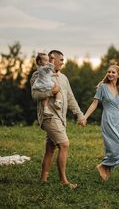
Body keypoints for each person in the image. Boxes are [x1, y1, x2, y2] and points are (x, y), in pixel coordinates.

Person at [31, 50, 85, 189]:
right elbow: (35, 94)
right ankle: (64, 181)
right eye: (60, 59)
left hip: (60, 117)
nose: (62, 62)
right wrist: (51, 92)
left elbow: (70, 97)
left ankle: (43, 179)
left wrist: (79, 114)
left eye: (63, 59)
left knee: (50, 148)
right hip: (48, 116)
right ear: (51, 59)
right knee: (64, 144)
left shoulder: (63, 78)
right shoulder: (39, 74)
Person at [82, 64, 119, 181]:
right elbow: (94, 104)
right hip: (107, 118)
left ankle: (106, 169)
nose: (110, 74)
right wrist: (85, 117)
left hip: (116, 120)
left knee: (114, 147)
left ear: (118, 75)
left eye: (113, 72)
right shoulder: (102, 87)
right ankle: (103, 166)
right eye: (109, 72)